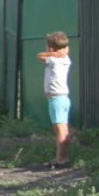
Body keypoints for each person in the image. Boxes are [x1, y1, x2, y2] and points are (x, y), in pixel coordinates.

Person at [37, 31, 72, 169]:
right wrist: (59, 52)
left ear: (50, 48)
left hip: (57, 99)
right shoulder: (65, 59)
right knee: (60, 130)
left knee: (61, 130)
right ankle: (60, 157)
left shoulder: (54, 60)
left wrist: (53, 54)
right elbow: (66, 49)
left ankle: (62, 159)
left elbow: (39, 55)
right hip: (60, 98)